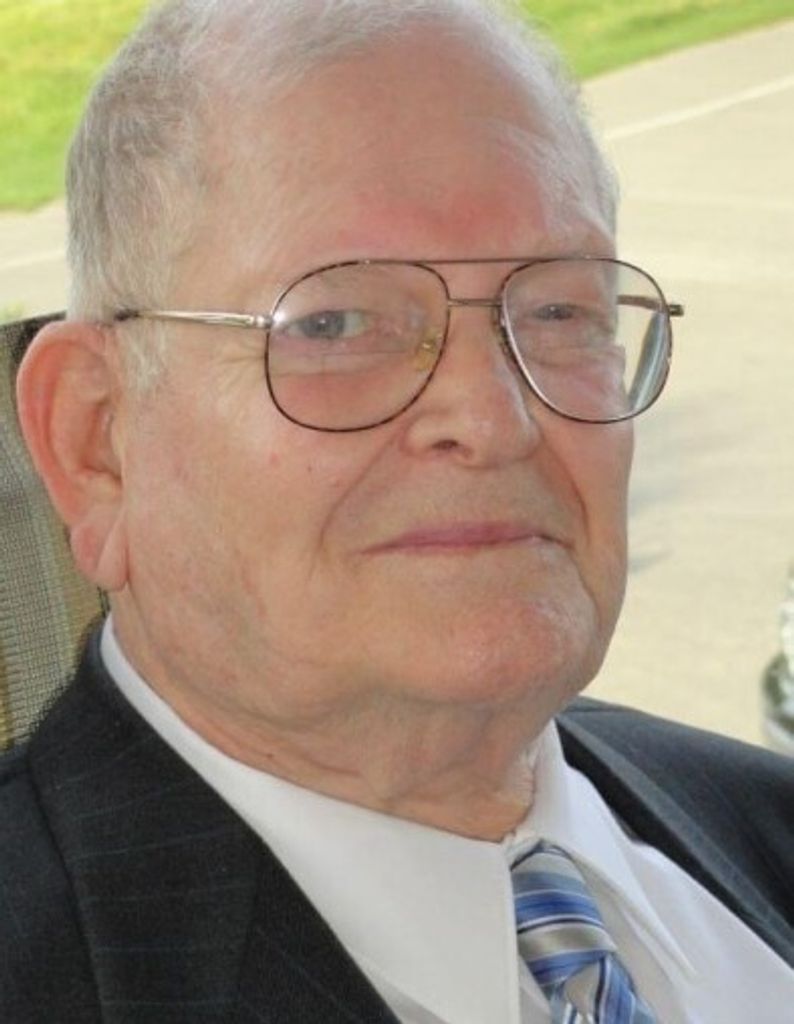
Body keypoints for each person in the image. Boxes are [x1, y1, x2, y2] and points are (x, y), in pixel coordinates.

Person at [2, 1, 792, 1020]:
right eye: (335, 323)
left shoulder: (763, 827)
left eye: (559, 310)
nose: (492, 419)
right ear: (96, 441)